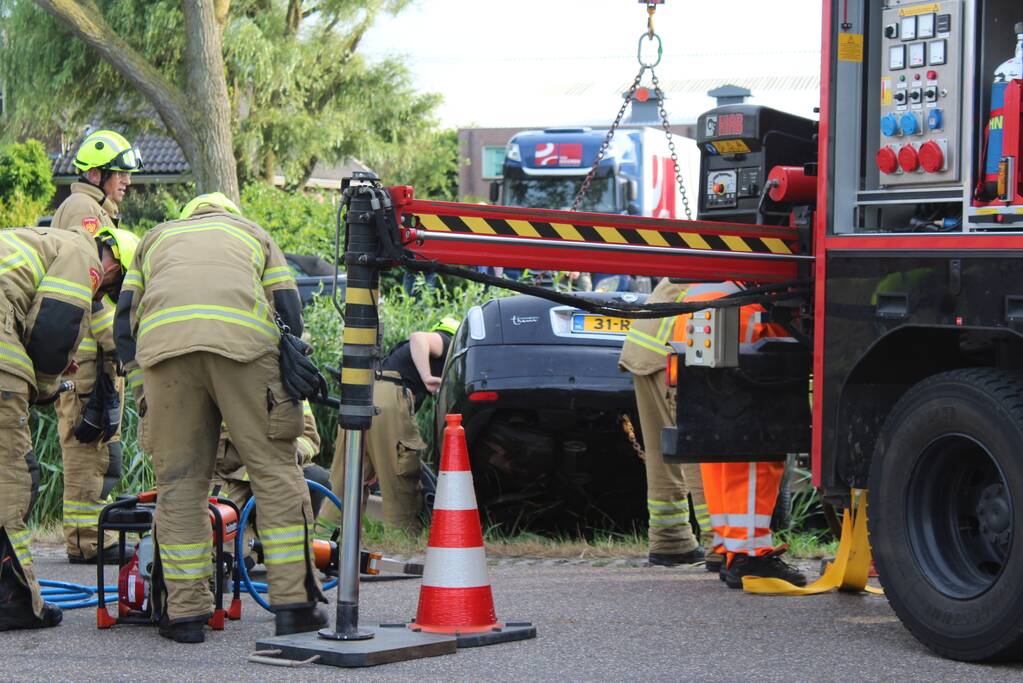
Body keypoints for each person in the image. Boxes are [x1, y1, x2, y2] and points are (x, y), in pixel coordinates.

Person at [114, 192, 325, 644]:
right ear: (230, 215)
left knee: (180, 484)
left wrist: (143, 387)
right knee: (274, 473)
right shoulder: (253, 234)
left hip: (165, 354)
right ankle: (295, 607)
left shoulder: (154, 238)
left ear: (187, 217)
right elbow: (289, 308)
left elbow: (123, 321)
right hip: (244, 349)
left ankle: (185, 615)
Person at [0, 227, 124, 631]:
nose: (100, 295)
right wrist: (46, 383)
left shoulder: (38, 242)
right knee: (12, 478)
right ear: (113, 267)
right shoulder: (81, 254)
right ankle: (15, 600)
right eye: (109, 289)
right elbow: (55, 327)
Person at [672, 282, 807, 588]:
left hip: (711, 339)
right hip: (745, 350)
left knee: (720, 452)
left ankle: (731, 550)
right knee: (756, 454)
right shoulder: (755, 286)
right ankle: (750, 555)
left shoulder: (707, 283)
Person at [51, 129, 142, 564]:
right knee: (86, 445)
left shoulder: (97, 211)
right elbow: (88, 286)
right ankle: (87, 543)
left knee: (102, 448)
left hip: (98, 356)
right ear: (95, 174)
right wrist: (121, 344)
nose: (126, 181)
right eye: (118, 173)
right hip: (88, 356)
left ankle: (95, 535)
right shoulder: (84, 211)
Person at [327, 317, 459, 535]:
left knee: (347, 478)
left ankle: (327, 537)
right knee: (400, 477)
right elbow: (419, 337)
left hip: (359, 397)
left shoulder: (403, 359)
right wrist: (427, 377)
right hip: (388, 398)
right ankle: (404, 538)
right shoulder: (446, 341)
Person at [618, 278, 710, 567]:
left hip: (648, 350)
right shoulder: (732, 271)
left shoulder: (708, 265)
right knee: (701, 450)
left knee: (663, 453)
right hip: (676, 353)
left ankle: (671, 540)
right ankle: (722, 542)